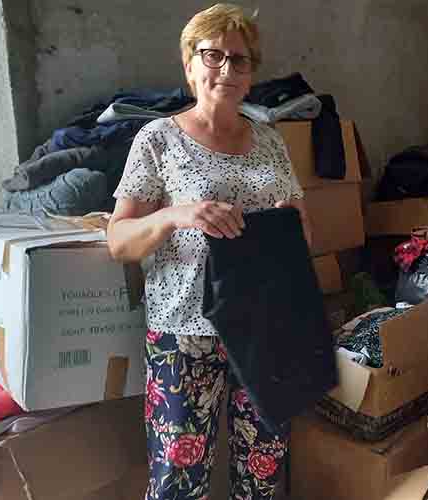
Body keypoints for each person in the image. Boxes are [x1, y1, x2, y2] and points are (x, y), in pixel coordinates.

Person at [107, 4, 309, 499]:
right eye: (212, 55)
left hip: (264, 329)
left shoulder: (271, 142)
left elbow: (305, 232)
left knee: (263, 470)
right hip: (186, 331)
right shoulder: (158, 139)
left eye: (240, 60)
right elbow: (119, 240)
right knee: (178, 478)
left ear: (251, 73)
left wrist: (289, 222)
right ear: (189, 64)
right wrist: (177, 215)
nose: (226, 69)